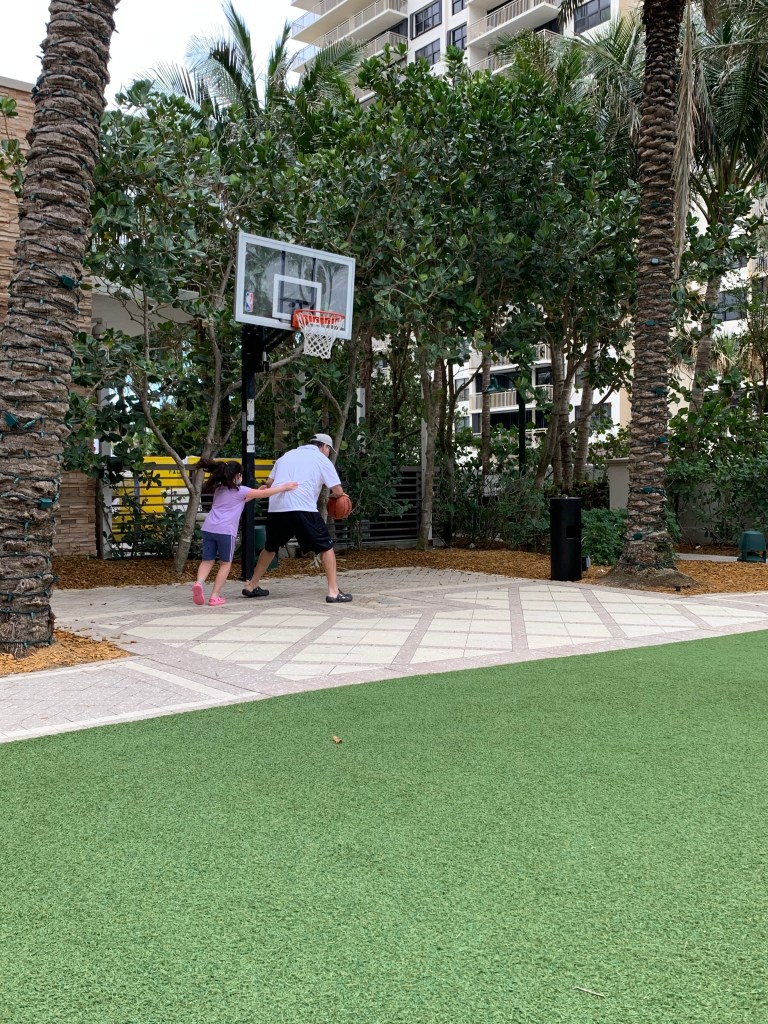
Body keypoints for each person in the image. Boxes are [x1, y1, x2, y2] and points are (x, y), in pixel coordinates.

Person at [242, 433, 353, 603]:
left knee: (270, 547)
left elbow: (269, 483)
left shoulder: (285, 456)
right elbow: (337, 491)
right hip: (302, 508)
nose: (328, 453)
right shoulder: (322, 459)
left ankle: (251, 585)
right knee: (326, 547)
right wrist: (340, 496)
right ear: (324, 447)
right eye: (329, 450)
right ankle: (333, 591)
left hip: (277, 508)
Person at [191, 459, 298, 607]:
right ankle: (214, 596)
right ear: (237, 476)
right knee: (225, 564)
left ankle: (199, 583)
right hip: (225, 531)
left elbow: (238, 501)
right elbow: (264, 494)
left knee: (207, 561)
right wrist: (284, 487)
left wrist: (256, 492)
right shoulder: (240, 490)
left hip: (209, 529)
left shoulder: (219, 490)